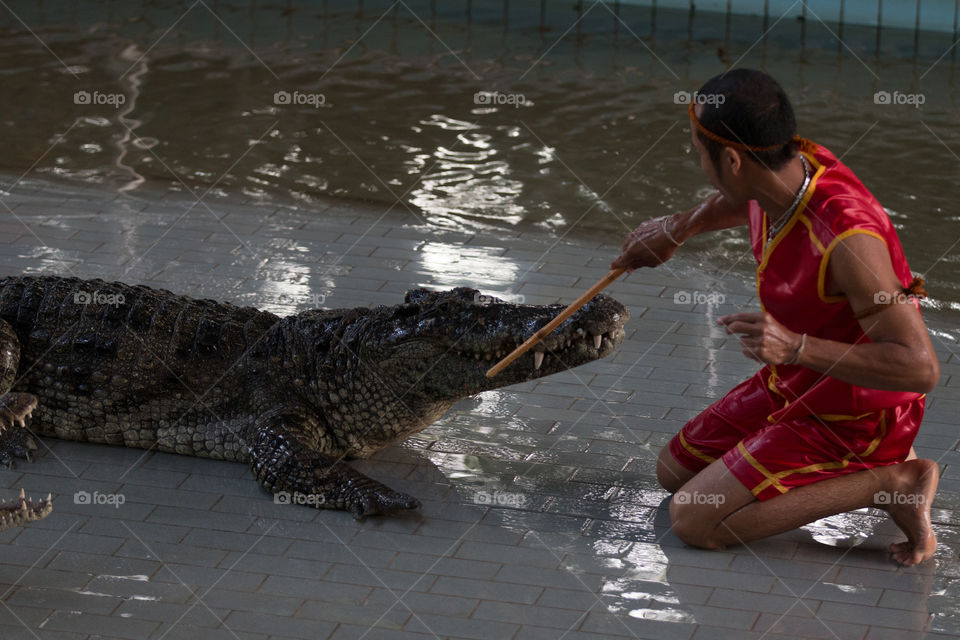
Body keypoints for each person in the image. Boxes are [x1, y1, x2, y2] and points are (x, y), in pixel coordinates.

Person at [611, 68, 940, 566]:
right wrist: (675, 229)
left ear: (733, 159)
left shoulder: (849, 243)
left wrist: (795, 348)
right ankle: (856, 468)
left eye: (700, 151)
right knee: (675, 471)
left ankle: (893, 480)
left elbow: (921, 369)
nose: (697, 160)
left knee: (694, 521)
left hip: (855, 416)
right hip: (798, 381)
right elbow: (743, 200)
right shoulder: (788, 166)